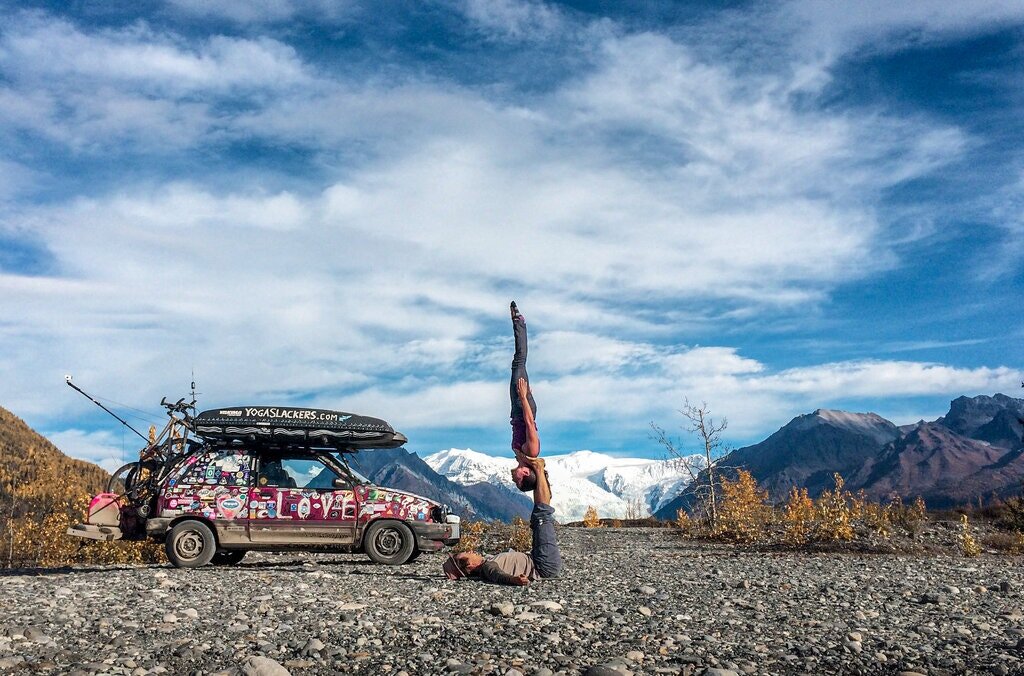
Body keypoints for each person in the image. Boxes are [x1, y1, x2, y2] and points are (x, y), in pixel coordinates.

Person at [443, 452, 561, 584]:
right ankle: (539, 469)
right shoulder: (488, 567)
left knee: (539, 516)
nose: (470, 550)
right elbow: (497, 575)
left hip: (538, 559)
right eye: (465, 554)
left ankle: (540, 477)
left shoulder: (489, 561)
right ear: (469, 566)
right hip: (543, 565)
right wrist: (514, 580)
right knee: (542, 515)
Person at [509, 301, 541, 492]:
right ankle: (518, 321)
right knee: (519, 361)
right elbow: (530, 423)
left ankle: (518, 322)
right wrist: (523, 397)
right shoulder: (532, 451)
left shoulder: (522, 457)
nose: (514, 479)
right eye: (517, 480)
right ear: (526, 474)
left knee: (518, 363)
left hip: (518, 408)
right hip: (522, 408)